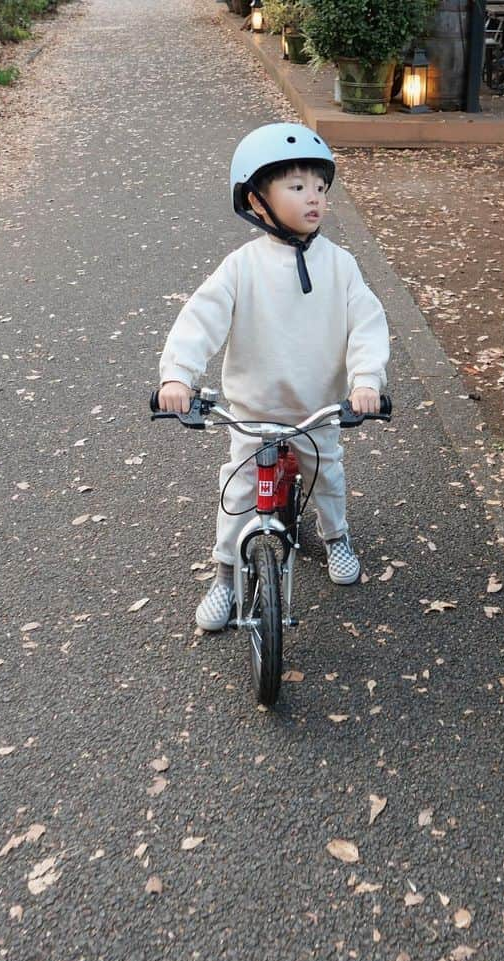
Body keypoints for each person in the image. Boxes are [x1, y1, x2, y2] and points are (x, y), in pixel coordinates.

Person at [157, 122, 390, 632]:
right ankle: (224, 576)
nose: (315, 198)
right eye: (297, 186)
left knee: (326, 475)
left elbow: (366, 324)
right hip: (253, 414)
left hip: (318, 408)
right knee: (238, 493)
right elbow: (202, 318)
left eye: (321, 187)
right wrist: (177, 375)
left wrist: (366, 381)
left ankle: (336, 539)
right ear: (257, 200)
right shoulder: (242, 267)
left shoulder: (341, 266)